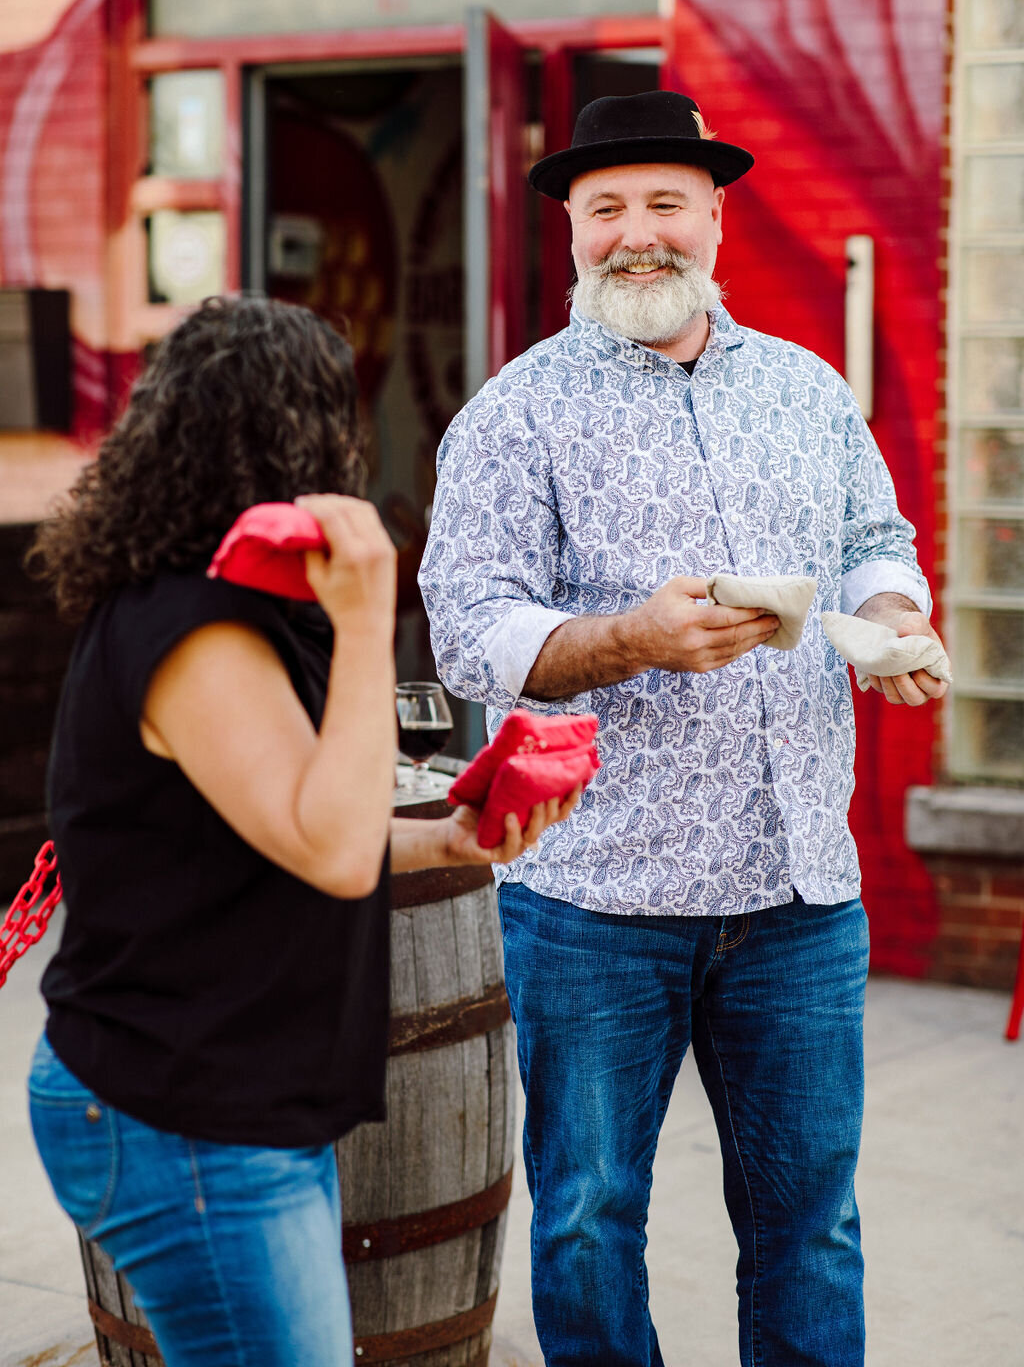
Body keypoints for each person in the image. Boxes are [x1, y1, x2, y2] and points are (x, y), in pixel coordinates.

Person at [418, 91, 948, 1367]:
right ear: (571, 231)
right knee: (591, 1222)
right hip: (596, 900)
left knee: (809, 1226)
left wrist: (892, 621)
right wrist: (630, 639)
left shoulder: (806, 390)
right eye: (607, 209)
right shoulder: (514, 412)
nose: (636, 233)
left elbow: (876, 537)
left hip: (798, 894)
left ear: (714, 214)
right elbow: (466, 625)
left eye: (664, 203)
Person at [25, 295, 579, 1367]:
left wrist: (453, 840)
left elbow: (301, 830)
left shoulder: (236, 611)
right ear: (307, 437)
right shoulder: (191, 630)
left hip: (232, 1109)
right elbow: (327, 850)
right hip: (181, 1119)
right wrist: (373, 611)